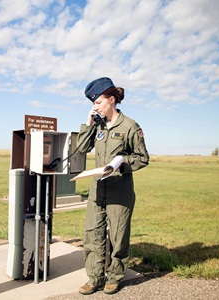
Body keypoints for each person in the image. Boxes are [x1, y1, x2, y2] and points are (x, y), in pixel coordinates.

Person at [77, 77, 149, 295]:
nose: (95, 107)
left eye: (97, 102)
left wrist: (120, 165)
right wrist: (88, 123)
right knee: (92, 233)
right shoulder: (97, 125)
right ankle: (94, 278)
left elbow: (142, 157)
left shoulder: (129, 126)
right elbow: (81, 148)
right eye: (93, 103)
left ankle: (114, 277)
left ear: (111, 99)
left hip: (120, 188)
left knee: (118, 236)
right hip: (97, 189)